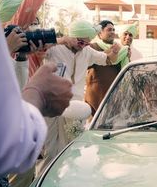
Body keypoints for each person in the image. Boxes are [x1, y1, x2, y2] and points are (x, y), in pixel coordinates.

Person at [0, 0, 72, 181]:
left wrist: (21, 55)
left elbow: (17, 85)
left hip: (22, 131)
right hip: (10, 145)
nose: (31, 31)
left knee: (24, 179)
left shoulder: (15, 54)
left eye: (34, 24)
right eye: (27, 26)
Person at [36, 20, 120, 174]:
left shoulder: (87, 51)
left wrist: (114, 52)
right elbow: (37, 47)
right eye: (80, 41)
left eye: (87, 42)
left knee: (71, 149)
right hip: (50, 106)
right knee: (49, 149)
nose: (84, 45)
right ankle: (43, 185)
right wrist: (60, 40)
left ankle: (67, 181)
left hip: (74, 108)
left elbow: (107, 59)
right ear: (71, 37)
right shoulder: (55, 49)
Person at [84, 20, 128, 115]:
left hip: (114, 97)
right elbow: (85, 65)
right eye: (109, 30)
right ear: (100, 33)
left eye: (113, 30)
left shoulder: (120, 50)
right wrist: (108, 53)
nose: (112, 32)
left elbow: (124, 71)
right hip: (96, 98)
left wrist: (125, 55)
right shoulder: (92, 47)